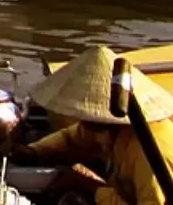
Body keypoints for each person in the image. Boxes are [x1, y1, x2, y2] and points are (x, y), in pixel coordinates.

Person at [14, 45, 173, 205]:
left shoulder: (149, 153)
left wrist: (91, 187)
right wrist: (33, 151)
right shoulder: (106, 128)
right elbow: (73, 138)